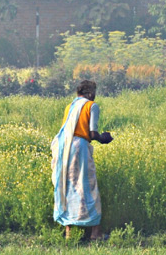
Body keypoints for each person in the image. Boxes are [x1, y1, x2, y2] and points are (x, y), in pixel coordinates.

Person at [51, 80, 113, 241]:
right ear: (91, 93)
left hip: (64, 147)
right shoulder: (92, 106)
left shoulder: (70, 107)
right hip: (79, 149)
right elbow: (92, 133)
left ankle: (69, 233)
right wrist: (104, 138)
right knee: (89, 186)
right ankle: (95, 233)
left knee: (68, 185)